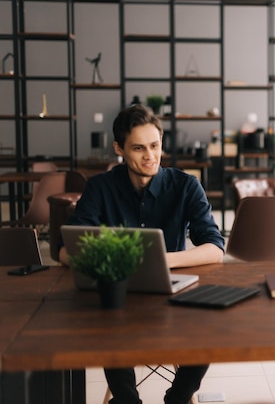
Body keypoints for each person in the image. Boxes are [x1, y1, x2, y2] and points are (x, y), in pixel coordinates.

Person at [60, 104, 225, 404]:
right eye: (138, 148)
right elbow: (65, 252)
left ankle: (177, 398)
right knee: (109, 322)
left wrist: (164, 259)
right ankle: (126, 400)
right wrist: (112, 263)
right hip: (117, 294)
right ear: (119, 148)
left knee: (209, 331)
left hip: (171, 292)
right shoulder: (99, 188)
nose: (150, 156)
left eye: (155, 146)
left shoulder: (187, 186)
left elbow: (215, 249)